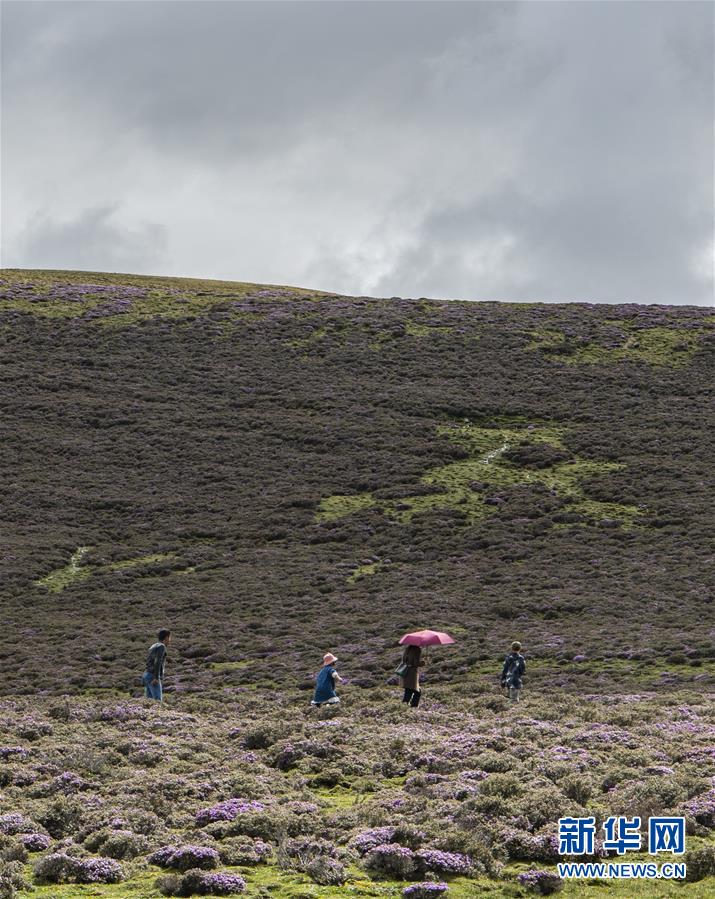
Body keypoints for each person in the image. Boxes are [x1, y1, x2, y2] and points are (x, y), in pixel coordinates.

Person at [142, 629, 171, 701]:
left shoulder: (153, 646)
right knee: (157, 701)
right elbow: (158, 662)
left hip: (147, 674)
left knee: (149, 702)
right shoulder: (162, 646)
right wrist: (156, 677)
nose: (170, 640)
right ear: (166, 637)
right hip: (152, 675)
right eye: (169, 638)